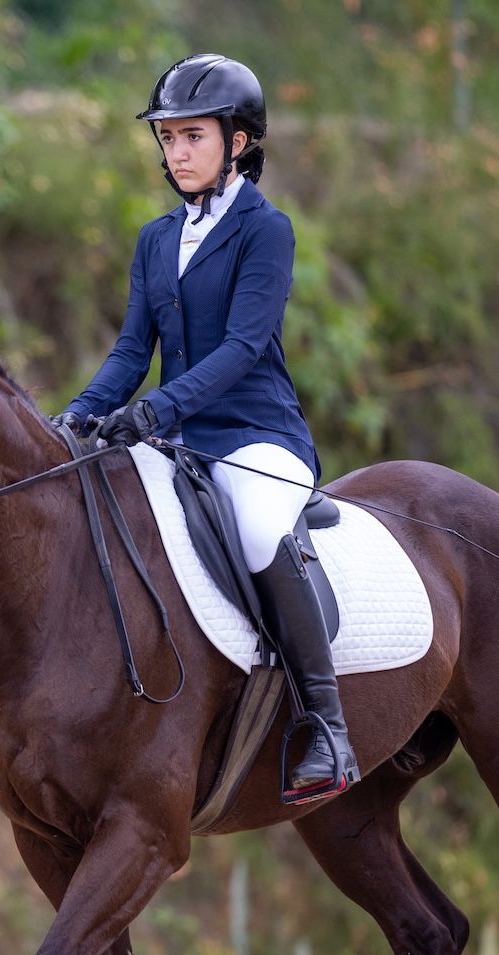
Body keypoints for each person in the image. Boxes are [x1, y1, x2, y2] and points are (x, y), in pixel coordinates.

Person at [53, 53, 359, 795]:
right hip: (179, 442)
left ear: (239, 142)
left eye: (193, 136)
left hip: (257, 438)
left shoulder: (267, 230)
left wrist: (158, 409)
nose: (177, 152)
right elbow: (133, 349)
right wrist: (79, 415)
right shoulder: (157, 239)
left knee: (258, 529)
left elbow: (244, 347)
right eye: (168, 138)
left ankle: (327, 725)